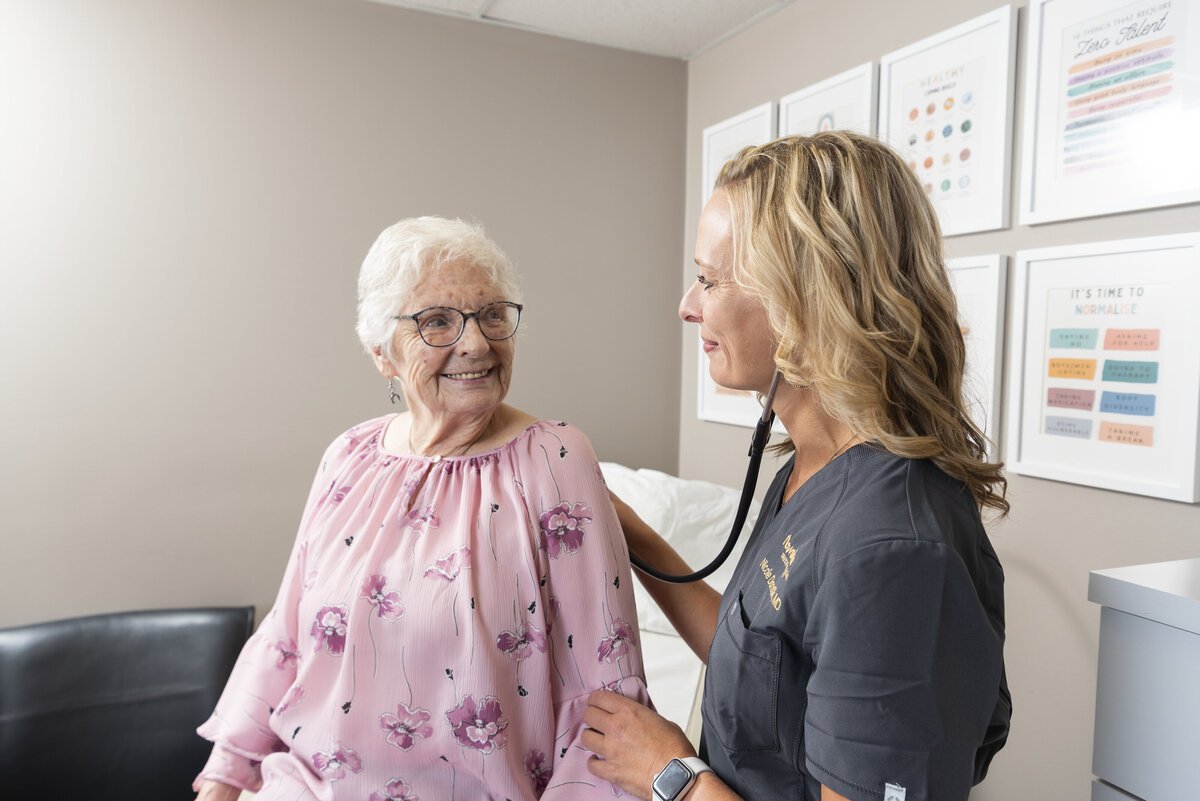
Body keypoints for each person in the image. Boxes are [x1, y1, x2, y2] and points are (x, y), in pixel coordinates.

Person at [582, 132, 1011, 801]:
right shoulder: (811, 465)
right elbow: (769, 664)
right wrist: (628, 531)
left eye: (709, 279)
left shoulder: (890, 547)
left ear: (808, 295)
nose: (687, 305)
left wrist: (672, 775)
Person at [193, 216, 649, 801]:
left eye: (491, 314)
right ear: (384, 354)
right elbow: (284, 639)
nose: (477, 343)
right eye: (437, 322)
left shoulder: (554, 460)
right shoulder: (349, 457)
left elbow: (604, 695)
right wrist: (224, 780)